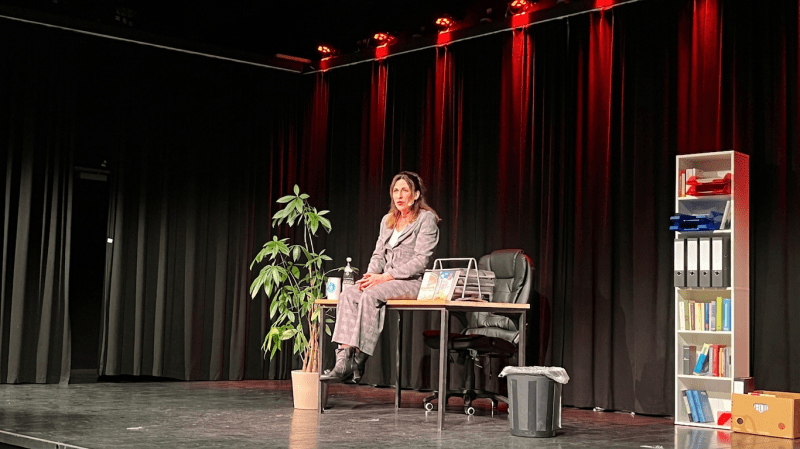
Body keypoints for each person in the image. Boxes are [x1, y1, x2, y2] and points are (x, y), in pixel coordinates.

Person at [321, 171, 440, 383]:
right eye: (396, 190)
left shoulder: (426, 219)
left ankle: (359, 359)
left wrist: (386, 277)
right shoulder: (388, 220)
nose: (400, 195)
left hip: (411, 282)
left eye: (405, 190)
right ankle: (344, 358)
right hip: (385, 279)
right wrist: (370, 275)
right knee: (349, 293)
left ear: (416, 194)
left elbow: (421, 260)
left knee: (371, 295)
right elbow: (378, 255)